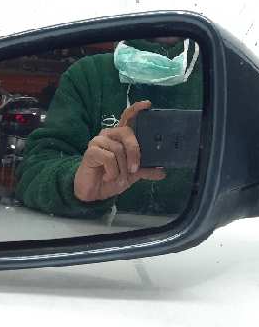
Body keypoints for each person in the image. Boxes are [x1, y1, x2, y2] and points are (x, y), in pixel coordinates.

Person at [15, 37, 202, 217]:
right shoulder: (88, 75)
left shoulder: (215, 75)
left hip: (206, 235)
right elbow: (32, 172)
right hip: (95, 234)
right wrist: (75, 182)